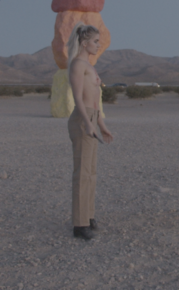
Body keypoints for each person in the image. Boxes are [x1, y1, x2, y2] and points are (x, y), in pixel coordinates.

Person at [67, 23, 114, 240]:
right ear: (84, 43)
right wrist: (88, 123)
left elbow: (96, 101)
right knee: (82, 174)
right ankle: (79, 224)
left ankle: (89, 216)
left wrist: (101, 126)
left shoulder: (91, 67)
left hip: (92, 118)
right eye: (95, 41)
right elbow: (78, 98)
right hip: (82, 118)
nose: (98, 45)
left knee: (91, 173)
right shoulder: (78, 65)